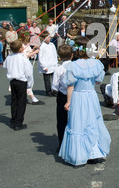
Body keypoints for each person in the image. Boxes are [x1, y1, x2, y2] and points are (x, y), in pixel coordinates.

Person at [58, 36, 111, 167]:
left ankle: (80, 154)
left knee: (78, 124)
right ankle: (94, 153)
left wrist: (68, 101)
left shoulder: (73, 66)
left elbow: (70, 85)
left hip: (78, 96)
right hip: (91, 96)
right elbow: (98, 81)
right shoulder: (97, 64)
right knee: (92, 122)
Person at [3, 40, 34, 131]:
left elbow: (5, 66)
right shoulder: (23, 59)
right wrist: (30, 83)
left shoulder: (9, 57)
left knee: (14, 100)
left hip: (13, 81)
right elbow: (29, 73)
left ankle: (14, 120)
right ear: (21, 48)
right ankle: (18, 123)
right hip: (21, 81)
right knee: (21, 102)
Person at [52, 44, 73, 149]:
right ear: (72, 55)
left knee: (61, 120)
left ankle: (62, 144)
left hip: (62, 95)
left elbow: (55, 85)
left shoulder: (59, 69)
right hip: (74, 95)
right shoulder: (75, 67)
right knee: (74, 119)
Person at [38, 31, 58, 96]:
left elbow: (55, 55)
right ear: (43, 38)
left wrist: (56, 63)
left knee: (54, 79)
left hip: (53, 65)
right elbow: (40, 58)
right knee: (47, 80)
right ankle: (48, 91)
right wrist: (43, 66)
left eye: (49, 37)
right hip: (46, 65)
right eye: (47, 37)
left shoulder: (52, 45)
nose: (49, 38)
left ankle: (55, 90)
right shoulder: (42, 46)